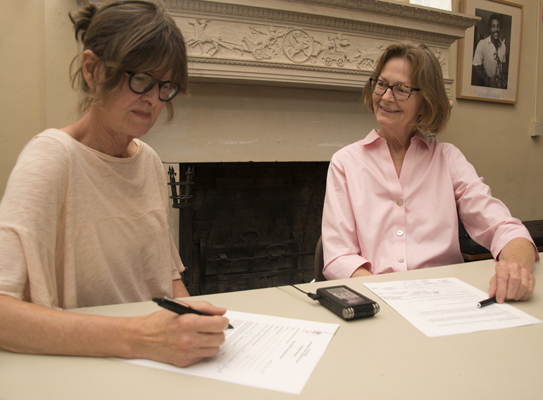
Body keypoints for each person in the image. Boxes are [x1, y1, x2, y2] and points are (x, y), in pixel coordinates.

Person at [0, 1, 229, 367]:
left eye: (165, 86)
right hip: (89, 367)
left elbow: (167, 280)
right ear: (92, 69)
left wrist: (195, 321)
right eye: (139, 78)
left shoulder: (149, 161)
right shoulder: (51, 158)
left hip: (151, 364)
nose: (153, 99)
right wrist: (143, 337)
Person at [322, 41, 538, 303]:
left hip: (445, 300)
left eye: (401, 89)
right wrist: (384, 297)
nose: (386, 96)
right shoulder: (346, 162)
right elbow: (338, 256)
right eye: (381, 84)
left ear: (425, 101)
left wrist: (516, 268)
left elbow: (503, 227)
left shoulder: (448, 159)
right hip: (376, 300)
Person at [472, 13, 507, 88]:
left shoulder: (503, 46)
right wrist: (488, 81)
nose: (496, 29)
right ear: (489, 29)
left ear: (500, 29)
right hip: (485, 87)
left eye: (498, 26)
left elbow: (503, 66)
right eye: (493, 26)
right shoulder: (482, 44)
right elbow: (476, 67)